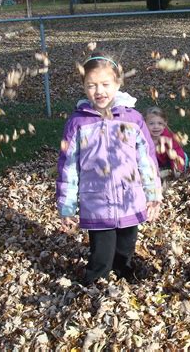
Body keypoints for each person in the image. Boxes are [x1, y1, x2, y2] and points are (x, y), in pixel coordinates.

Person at [56, 51, 162, 285]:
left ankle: (124, 274)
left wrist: (153, 195)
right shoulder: (78, 123)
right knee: (102, 253)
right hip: (97, 201)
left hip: (129, 198)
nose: (99, 91)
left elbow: (146, 159)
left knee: (126, 246)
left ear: (117, 83)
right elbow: (68, 167)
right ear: (84, 86)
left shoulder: (132, 118)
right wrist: (66, 206)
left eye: (105, 84)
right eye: (91, 85)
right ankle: (95, 284)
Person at [145, 106, 188, 176]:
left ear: (165, 124)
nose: (156, 126)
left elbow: (176, 153)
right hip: (157, 163)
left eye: (160, 123)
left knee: (180, 159)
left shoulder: (168, 138)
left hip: (170, 160)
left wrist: (177, 168)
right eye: (151, 123)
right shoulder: (144, 138)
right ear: (145, 124)